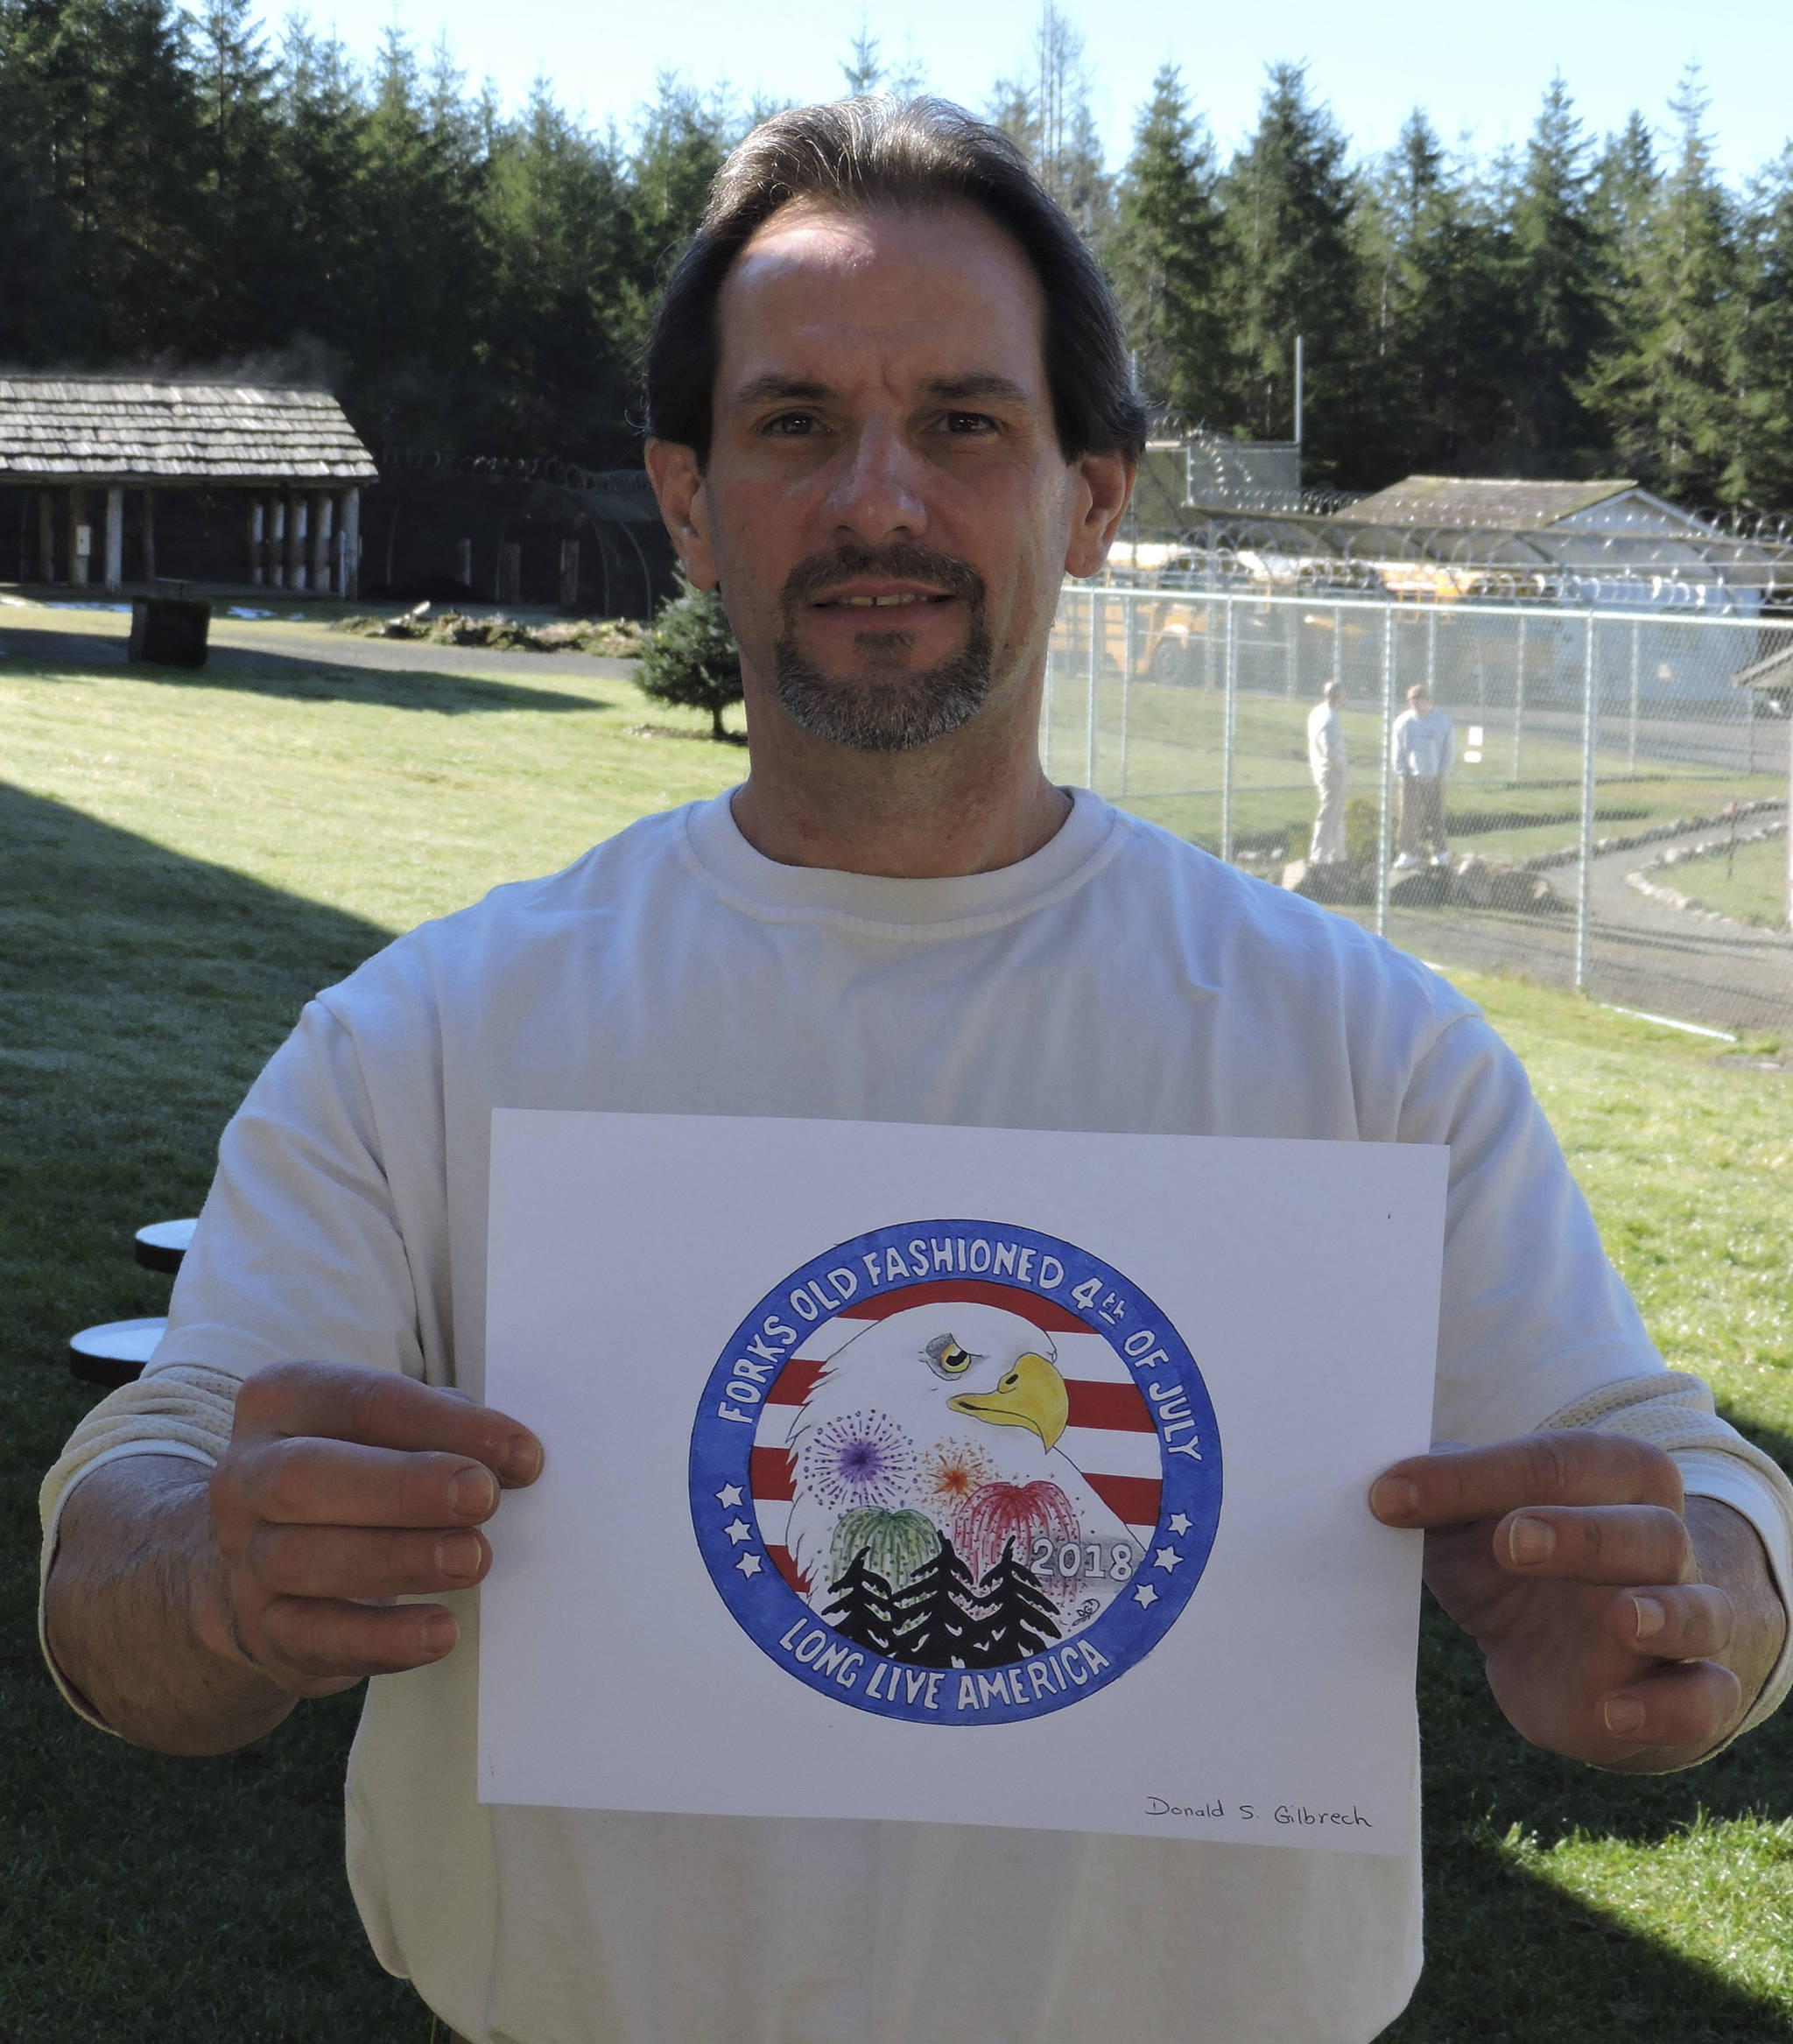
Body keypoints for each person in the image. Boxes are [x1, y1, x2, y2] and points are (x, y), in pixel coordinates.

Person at [39, 98, 1792, 2044]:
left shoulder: (1366, 1053)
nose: (881, 501)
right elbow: (121, 1545)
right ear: (688, 499)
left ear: (1093, 496)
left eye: (964, 422)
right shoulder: (427, 1038)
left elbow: (1690, 1481)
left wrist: (1693, 1605)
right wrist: (210, 1574)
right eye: (795, 425)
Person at [1391, 682, 1454, 867]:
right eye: (1411, 700)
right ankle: (1408, 852)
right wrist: (1402, 771)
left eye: (1418, 700)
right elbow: (1398, 750)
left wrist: (1443, 772)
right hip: (1411, 778)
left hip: (1435, 776)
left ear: (1427, 700)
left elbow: (1448, 750)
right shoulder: (1403, 722)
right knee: (1408, 816)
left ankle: (1441, 852)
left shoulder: (1442, 722)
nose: (1414, 704)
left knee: (1436, 815)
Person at [1307, 677, 1348, 863]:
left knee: (1337, 813)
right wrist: (1342, 767)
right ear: (1338, 696)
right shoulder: (1328, 717)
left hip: (1322, 768)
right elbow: (1330, 749)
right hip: (1331, 772)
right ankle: (1320, 855)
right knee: (1329, 812)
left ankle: (1338, 854)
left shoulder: (1318, 712)